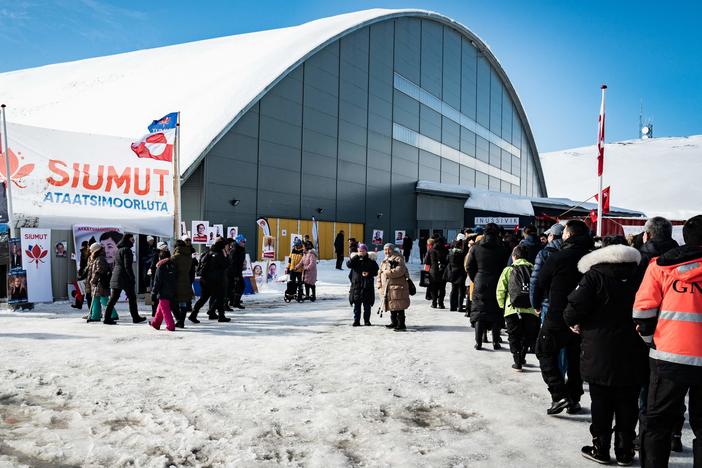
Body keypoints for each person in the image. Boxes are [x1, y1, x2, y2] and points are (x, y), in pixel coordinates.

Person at [563, 243, 648, 465]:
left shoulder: (594, 277)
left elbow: (574, 308)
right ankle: (625, 450)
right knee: (629, 401)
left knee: (601, 400)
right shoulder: (642, 275)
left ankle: (600, 448)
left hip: (599, 348)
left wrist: (573, 322)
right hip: (634, 347)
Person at [634, 214, 702, 468]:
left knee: (657, 424)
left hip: (669, 355)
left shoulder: (660, 266)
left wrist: (651, 339)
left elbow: (642, 310)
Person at [532, 219, 593, 415]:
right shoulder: (593, 258)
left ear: (569, 234)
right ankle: (574, 399)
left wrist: (537, 303)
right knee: (575, 359)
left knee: (544, 351)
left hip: (557, 313)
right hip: (584, 316)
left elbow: (540, 281)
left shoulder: (558, 257)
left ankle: (559, 395)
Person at [496, 245, 540, 371]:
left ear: (514, 256)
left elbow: (501, 289)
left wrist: (501, 305)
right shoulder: (534, 269)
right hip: (531, 309)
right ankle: (522, 356)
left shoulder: (509, 270)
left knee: (513, 335)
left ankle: (517, 361)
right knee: (527, 335)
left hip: (512, 309)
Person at [466, 223, 509, 350]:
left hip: (480, 281)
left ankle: (478, 342)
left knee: (480, 312)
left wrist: (476, 278)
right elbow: (506, 266)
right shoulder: (502, 248)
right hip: (497, 281)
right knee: (495, 312)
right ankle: (496, 341)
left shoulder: (475, 247)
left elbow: (469, 266)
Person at [103, 233, 145, 325]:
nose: (133, 241)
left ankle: (106, 318)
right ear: (128, 239)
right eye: (132, 239)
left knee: (113, 299)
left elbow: (115, 265)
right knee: (132, 298)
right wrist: (132, 277)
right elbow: (127, 266)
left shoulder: (119, 250)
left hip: (116, 276)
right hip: (124, 278)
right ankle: (135, 317)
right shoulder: (127, 250)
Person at [191, 238, 231, 323]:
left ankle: (193, 314)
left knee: (203, 298)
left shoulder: (208, 253)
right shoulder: (219, 254)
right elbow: (226, 265)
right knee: (220, 297)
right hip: (216, 280)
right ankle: (221, 316)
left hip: (205, 279)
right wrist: (226, 255)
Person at [378, 243, 410, 331]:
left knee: (399, 306)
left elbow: (400, 270)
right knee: (392, 305)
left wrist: (387, 272)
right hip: (388, 287)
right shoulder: (385, 260)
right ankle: (394, 322)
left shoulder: (398, 258)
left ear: (393, 250)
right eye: (385, 250)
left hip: (397, 287)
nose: (387, 251)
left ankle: (401, 324)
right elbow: (380, 272)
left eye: (389, 249)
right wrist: (379, 284)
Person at [347, 244, 379, 326]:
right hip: (356, 286)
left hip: (367, 286)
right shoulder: (355, 259)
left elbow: (376, 271)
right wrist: (355, 257)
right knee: (357, 305)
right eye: (360, 251)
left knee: (367, 306)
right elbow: (349, 265)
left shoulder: (370, 260)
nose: (361, 252)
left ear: (366, 251)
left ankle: (367, 321)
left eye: (363, 251)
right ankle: (356, 320)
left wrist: (368, 273)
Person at [87, 242, 118, 323]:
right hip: (97, 283)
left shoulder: (100, 258)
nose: (90, 252)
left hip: (100, 283)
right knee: (95, 300)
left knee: (103, 299)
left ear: (95, 250)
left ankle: (113, 314)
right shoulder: (96, 258)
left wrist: (93, 280)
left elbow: (100, 270)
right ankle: (95, 315)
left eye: (91, 250)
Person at [150, 250, 177, 332]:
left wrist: (153, 292)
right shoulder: (173, 265)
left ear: (160, 258)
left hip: (163, 291)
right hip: (172, 290)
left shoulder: (160, 266)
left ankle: (170, 326)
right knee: (161, 307)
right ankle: (156, 323)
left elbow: (157, 281)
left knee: (165, 309)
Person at [172, 239, 195, 328]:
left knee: (173, 303)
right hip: (186, 281)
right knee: (183, 303)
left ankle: (179, 320)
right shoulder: (189, 257)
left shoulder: (175, 257)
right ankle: (181, 321)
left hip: (176, 282)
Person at [424, 238, 447, 309]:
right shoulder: (445, 250)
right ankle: (441, 303)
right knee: (442, 288)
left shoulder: (430, 251)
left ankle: (434, 303)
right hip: (443, 272)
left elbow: (426, 262)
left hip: (433, 272)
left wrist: (426, 272)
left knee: (433, 288)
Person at [447, 239, 467, 312]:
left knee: (453, 290)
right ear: (460, 246)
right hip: (461, 273)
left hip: (453, 273)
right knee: (461, 291)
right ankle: (460, 307)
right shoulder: (463, 253)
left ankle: (452, 307)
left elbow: (447, 261)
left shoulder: (450, 253)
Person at [228, 235, 247, 310]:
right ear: (238, 242)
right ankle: (235, 302)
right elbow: (233, 263)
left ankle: (234, 302)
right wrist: (236, 274)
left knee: (237, 287)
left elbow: (239, 262)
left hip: (238, 271)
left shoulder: (241, 249)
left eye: (244, 241)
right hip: (234, 272)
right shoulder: (235, 250)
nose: (244, 243)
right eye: (242, 241)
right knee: (240, 286)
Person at [72, 241, 91, 310]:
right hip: (85, 274)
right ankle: (79, 304)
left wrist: (80, 273)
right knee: (82, 290)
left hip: (84, 274)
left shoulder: (84, 253)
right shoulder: (86, 253)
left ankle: (79, 304)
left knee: (82, 291)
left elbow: (82, 265)